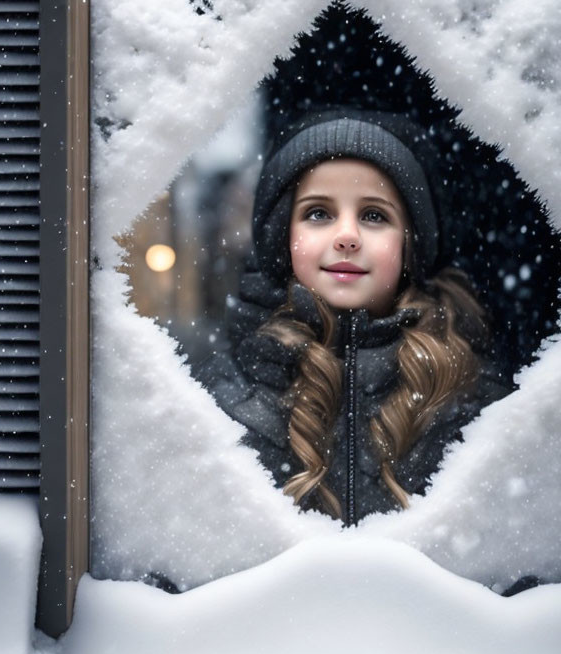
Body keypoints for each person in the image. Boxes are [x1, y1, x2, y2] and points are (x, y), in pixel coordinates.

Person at [195, 110, 512, 526]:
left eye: (374, 216)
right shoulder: (224, 398)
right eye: (319, 214)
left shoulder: (473, 401)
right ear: (283, 237)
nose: (347, 236)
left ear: (410, 243)